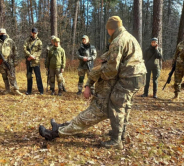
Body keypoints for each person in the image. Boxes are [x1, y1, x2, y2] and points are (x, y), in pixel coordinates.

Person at [39, 16, 146, 149]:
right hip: (137, 76)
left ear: (110, 28)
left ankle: (116, 140)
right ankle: (119, 134)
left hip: (129, 77)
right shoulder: (128, 37)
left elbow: (111, 70)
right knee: (124, 104)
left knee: (116, 105)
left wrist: (95, 79)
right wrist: (91, 81)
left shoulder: (118, 41)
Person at [0, 28, 22, 95]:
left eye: (3, 34)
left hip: (9, 61)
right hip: (0, 62)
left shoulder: (10, 41)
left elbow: (15, 52)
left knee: (12, 75)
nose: (2, 35)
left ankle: (15, 89)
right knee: (4, 76)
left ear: (6, 33)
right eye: (1, 34)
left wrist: (16, 61)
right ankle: (7, 89)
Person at [23, 28, 44, 95]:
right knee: (29, 76)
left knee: (38, 76)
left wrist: (33, 56)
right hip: (29, 61)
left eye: (35, 33)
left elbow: (40, 51)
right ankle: (29, 91)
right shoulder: (27, 40)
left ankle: (41, 90)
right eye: (33, 33)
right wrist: (29, 55)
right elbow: (24, 48)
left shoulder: (39, 42)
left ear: (37, 33)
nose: (34, 34)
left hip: (35, 61)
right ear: (31, 33)